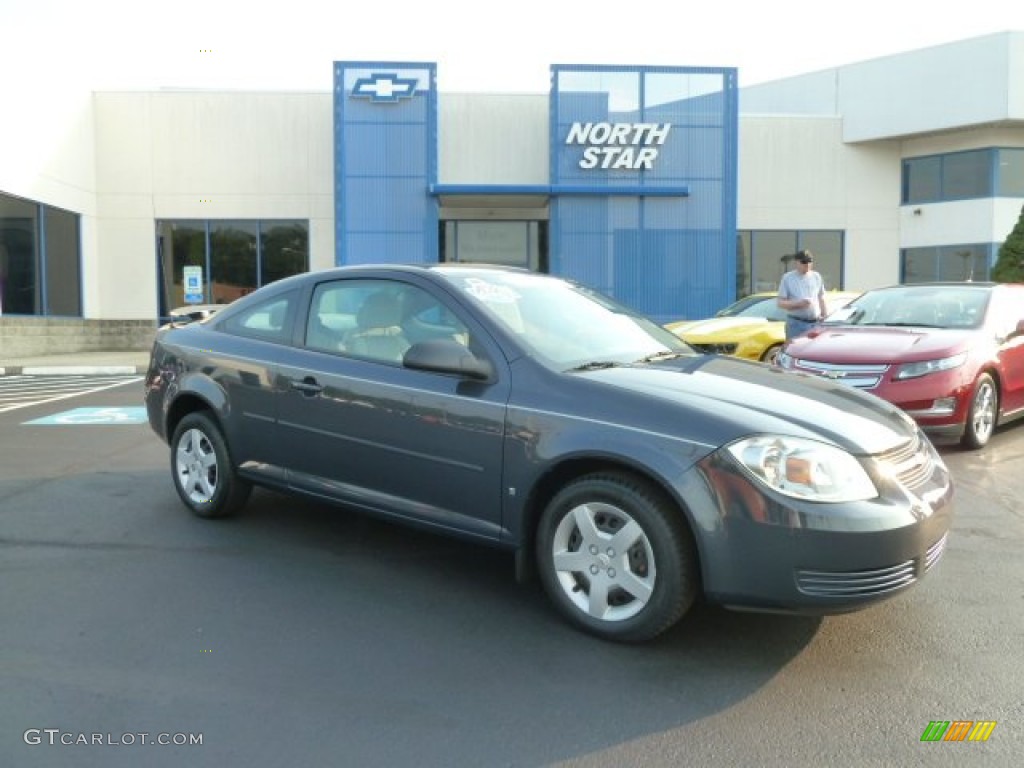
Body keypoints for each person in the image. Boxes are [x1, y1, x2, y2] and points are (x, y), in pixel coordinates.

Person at [777, 250, 827, 341]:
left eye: (809, 261)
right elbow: (780, 303)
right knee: (795, 351)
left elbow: (821, 297)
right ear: (796, 263)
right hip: (796, 324)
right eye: (803, 262)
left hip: (815, 323)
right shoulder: (788, 278)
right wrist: (798, 304)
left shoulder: (816, 276)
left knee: (813, 352)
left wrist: (824, 315)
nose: (807, 264)